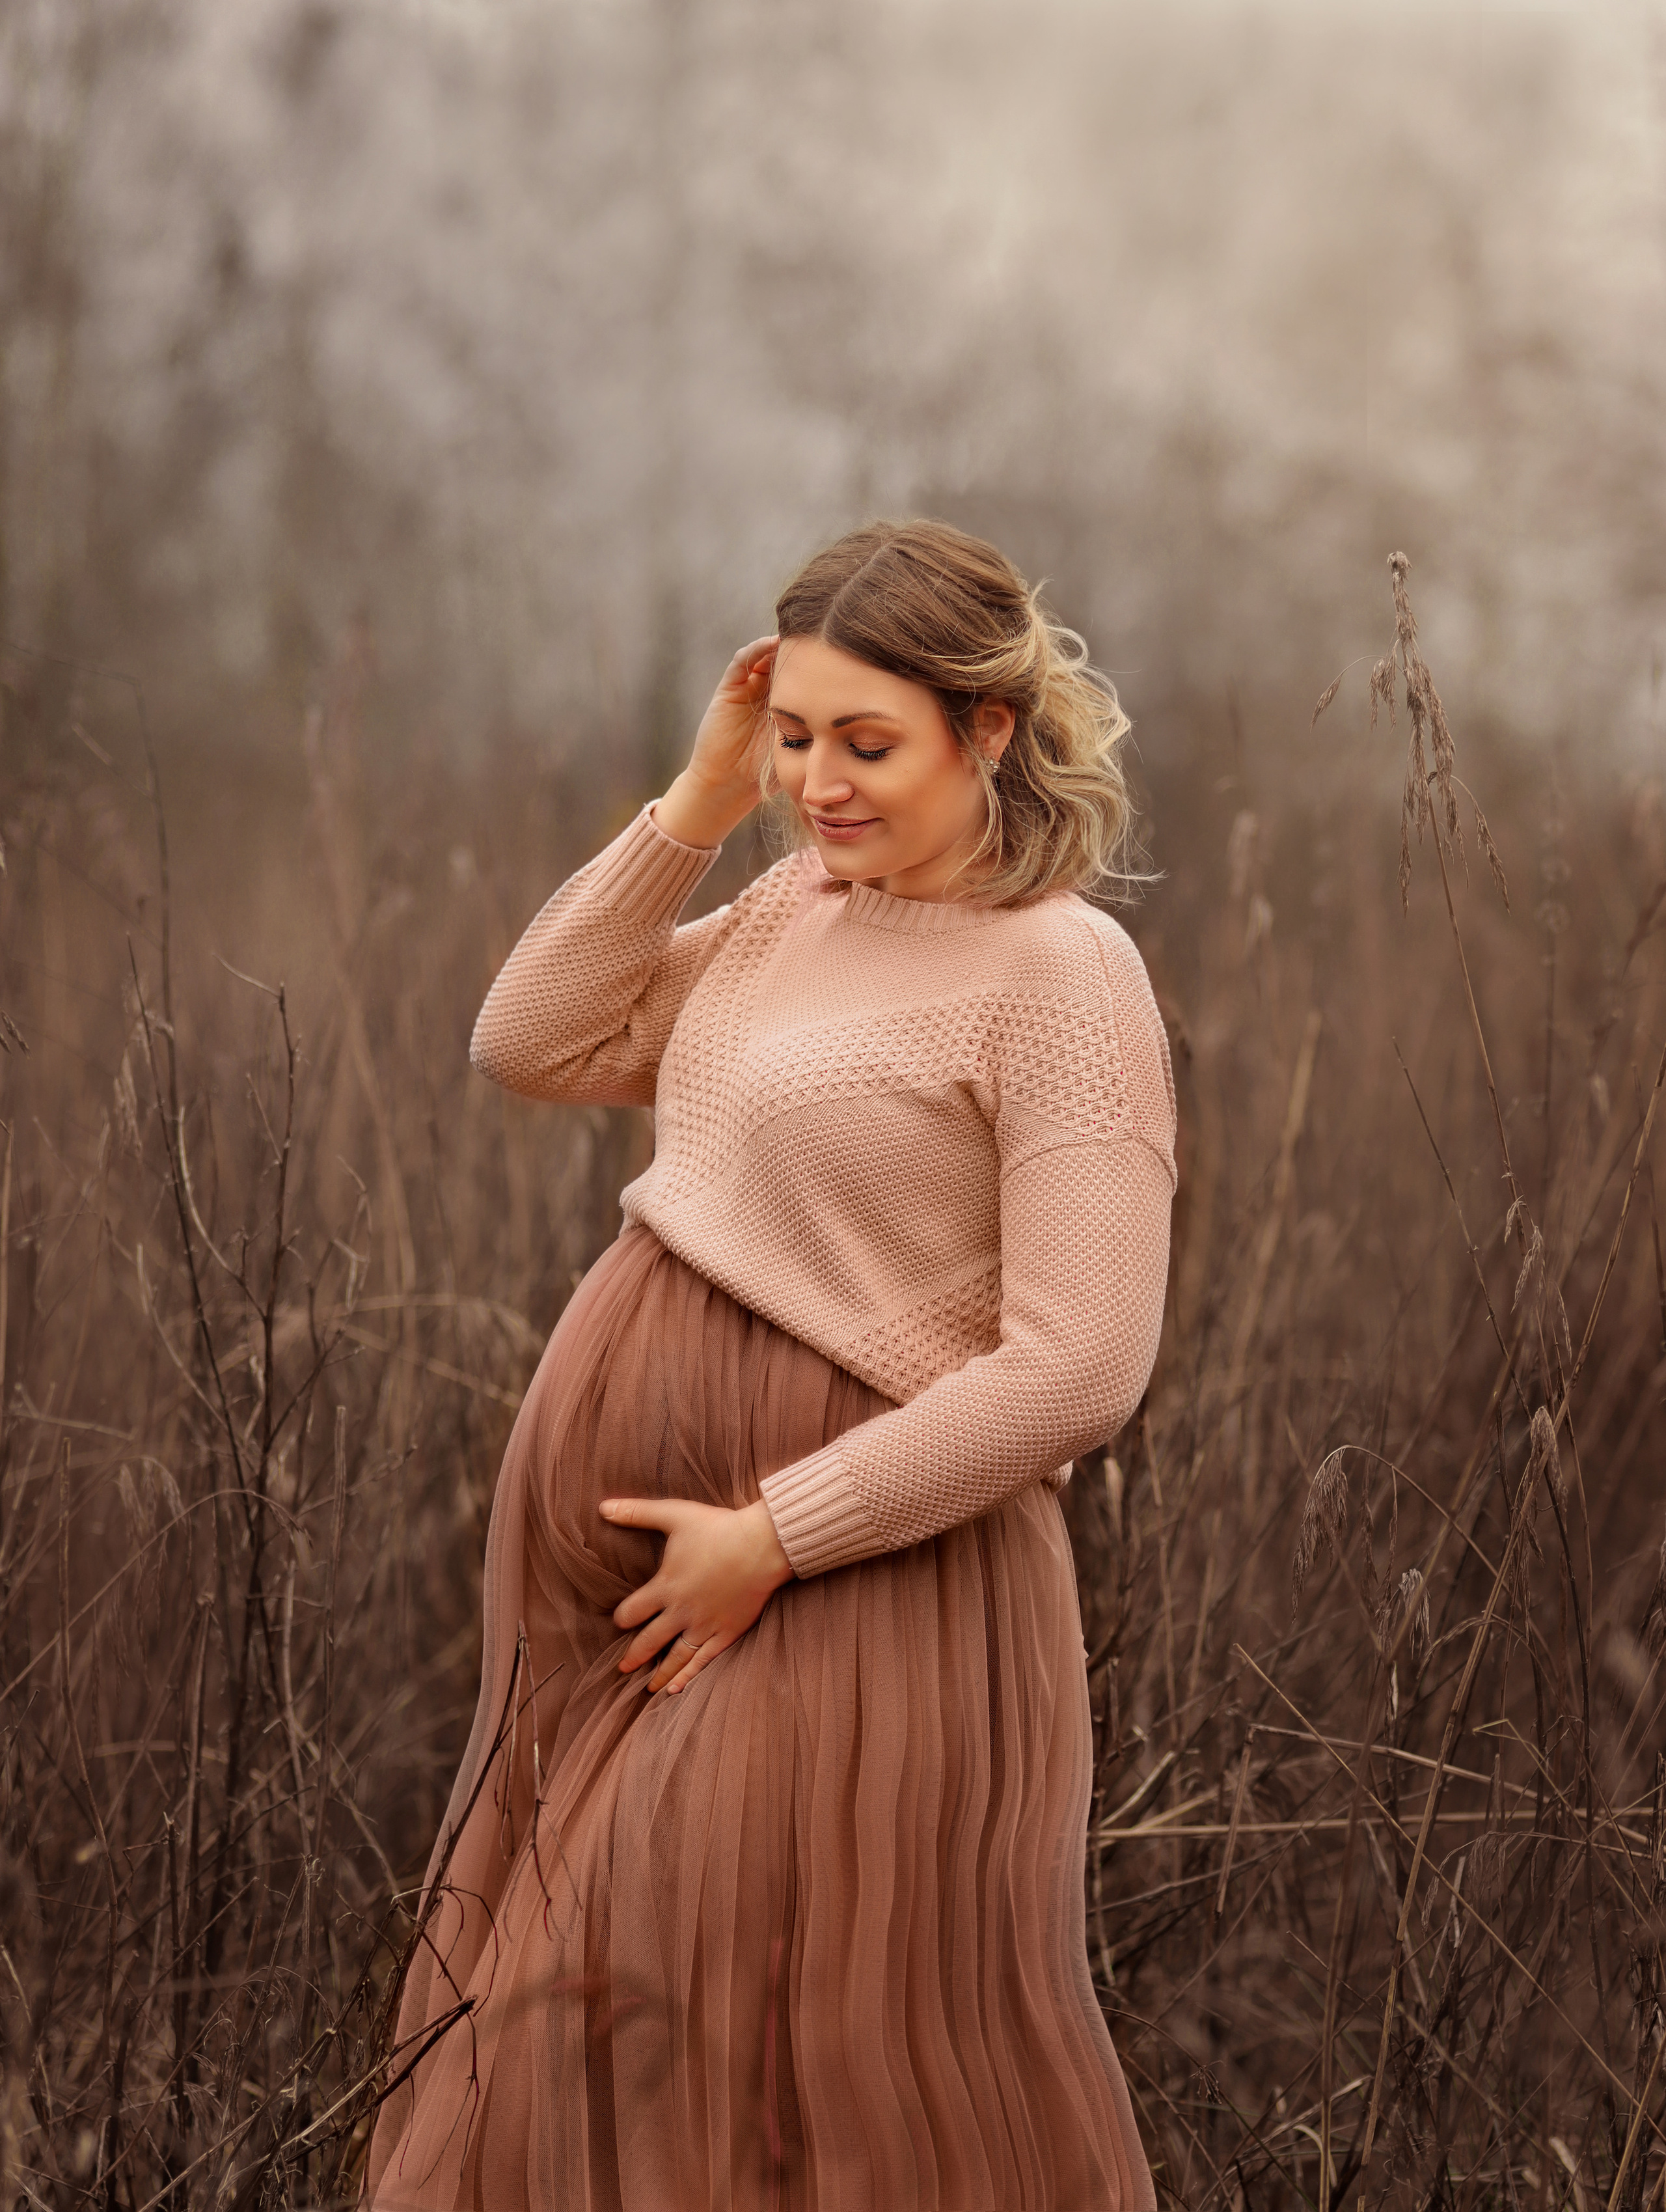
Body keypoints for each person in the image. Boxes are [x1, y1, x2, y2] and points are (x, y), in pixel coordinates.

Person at [365, 519, 1175, 2211]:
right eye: (796, 736)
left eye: (866, 743)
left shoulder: (1064, 977)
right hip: (653, 1600)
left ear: (992, 730)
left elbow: (1081, 1370)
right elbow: (531, 1038)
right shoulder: (785, 905)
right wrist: (695, 809)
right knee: (591, 2032)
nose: (824, 785)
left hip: (857, 1589)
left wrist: (779, 1531)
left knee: (795, 2078)